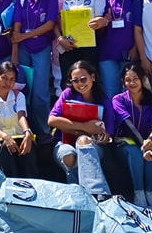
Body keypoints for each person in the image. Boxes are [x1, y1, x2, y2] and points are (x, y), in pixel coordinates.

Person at [48, 61, 115, 199]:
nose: (80, 83)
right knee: (68, 155)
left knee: (83, 141)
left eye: (83, 79)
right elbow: (52, 120)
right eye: (75, 80)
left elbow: (108, 134)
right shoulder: (68, 94)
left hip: (92, 146)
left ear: (93, 77)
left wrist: (102, 137)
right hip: (64, 143)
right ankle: (83, 196)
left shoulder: (104, 100)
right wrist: (83, 127)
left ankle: (93, 194)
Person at [12, 0, 59, 139]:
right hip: (23, 50)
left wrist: (25, 36)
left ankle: (43, 131)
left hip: (41, 49)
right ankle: (24, 130)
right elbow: (16, 25)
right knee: (23, 92)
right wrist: (15, 52)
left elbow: (49, 24)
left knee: (40, 93)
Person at [110, 64, 152, 207]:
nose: (132, 83)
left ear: (143, 79)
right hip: (124, 143)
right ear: (123, 81)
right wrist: (144, 146)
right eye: (128, 80)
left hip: (146, 143)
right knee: (134, 152)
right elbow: (128, 126)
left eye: (135, 79)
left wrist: (151, 140)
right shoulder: (118, 100)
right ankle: (138, 193)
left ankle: (151, 193)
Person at [56, 0, 109, 87]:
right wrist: (59, 38)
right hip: (68, 46)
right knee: (68, 83)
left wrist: (101, 22)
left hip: (89, 47)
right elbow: (55, 21)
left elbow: (100, 23)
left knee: (89, 82)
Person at [0, 61, 37, 178]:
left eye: (12, 79)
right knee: (6, 151)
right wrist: (5, 137)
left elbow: (21, 115)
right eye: (4, 78)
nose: (8, 83)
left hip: (18, 136)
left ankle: (33, 183)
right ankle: (11, 185)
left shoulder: (19, 96)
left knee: (29, 147)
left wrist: (27, 132)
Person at [99, 0, 137, 99]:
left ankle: (131, 120)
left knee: (131, 92)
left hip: (129, 53)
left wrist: (136, 47)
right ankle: (113, 120)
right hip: (107, 54)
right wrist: (104, 22)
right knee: (111, 92)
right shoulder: (101, 0)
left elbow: (140, 26)